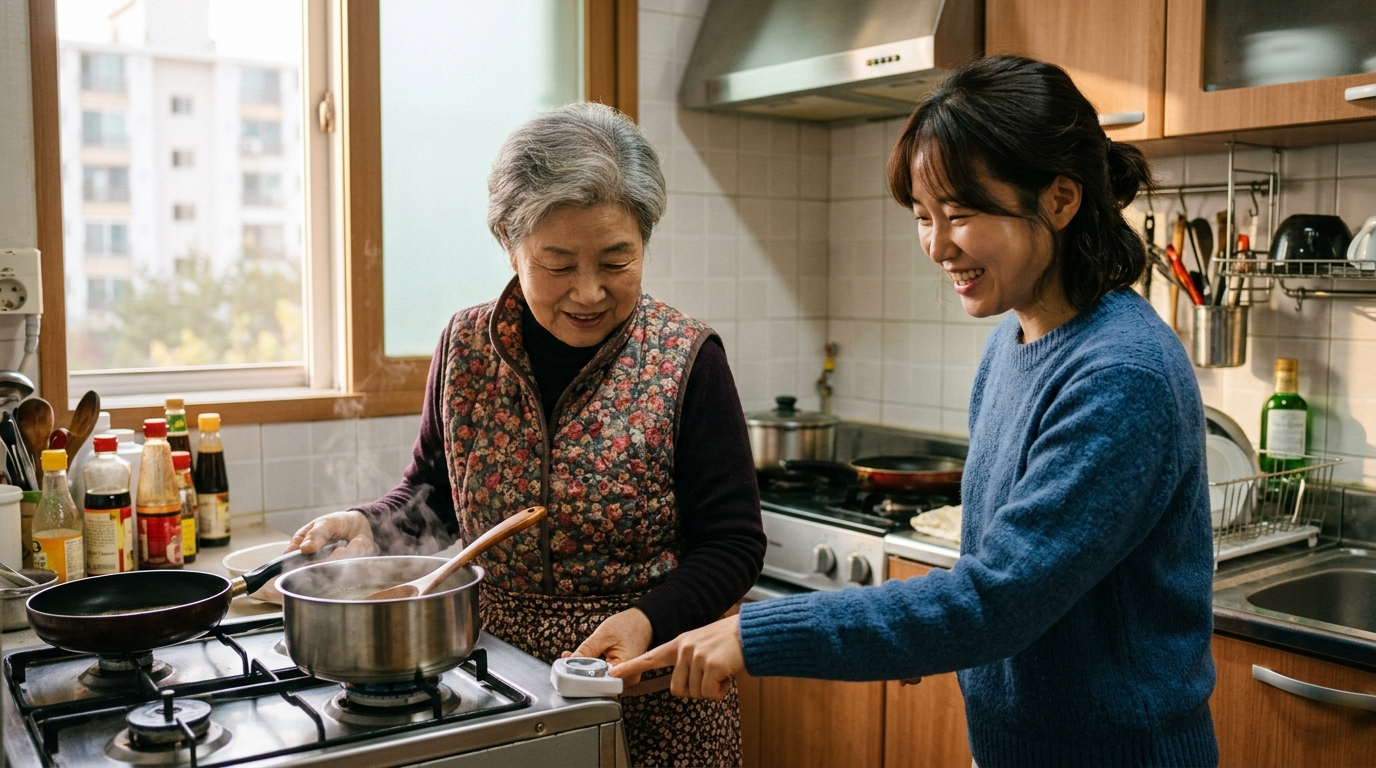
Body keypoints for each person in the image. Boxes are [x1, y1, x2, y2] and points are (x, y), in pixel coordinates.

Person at [615, 55, 1219, 767]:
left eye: (960, 215)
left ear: (1060, 199)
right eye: (923, 218)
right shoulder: (1012, 344)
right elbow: (996, 579)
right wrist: (907, 636)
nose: (937, 246)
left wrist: (753, 634)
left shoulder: (1120, 375)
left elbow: (996, 602)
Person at [290, 102, 766, 768]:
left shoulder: (686, 358)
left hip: (647, 684)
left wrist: (649, 618)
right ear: (509, 245)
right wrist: (370, 524)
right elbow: (435, 493)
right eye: (558, 264)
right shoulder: (466, 347)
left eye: (617, 261)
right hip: (498, 683)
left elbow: (735, 543)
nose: (589, 292)